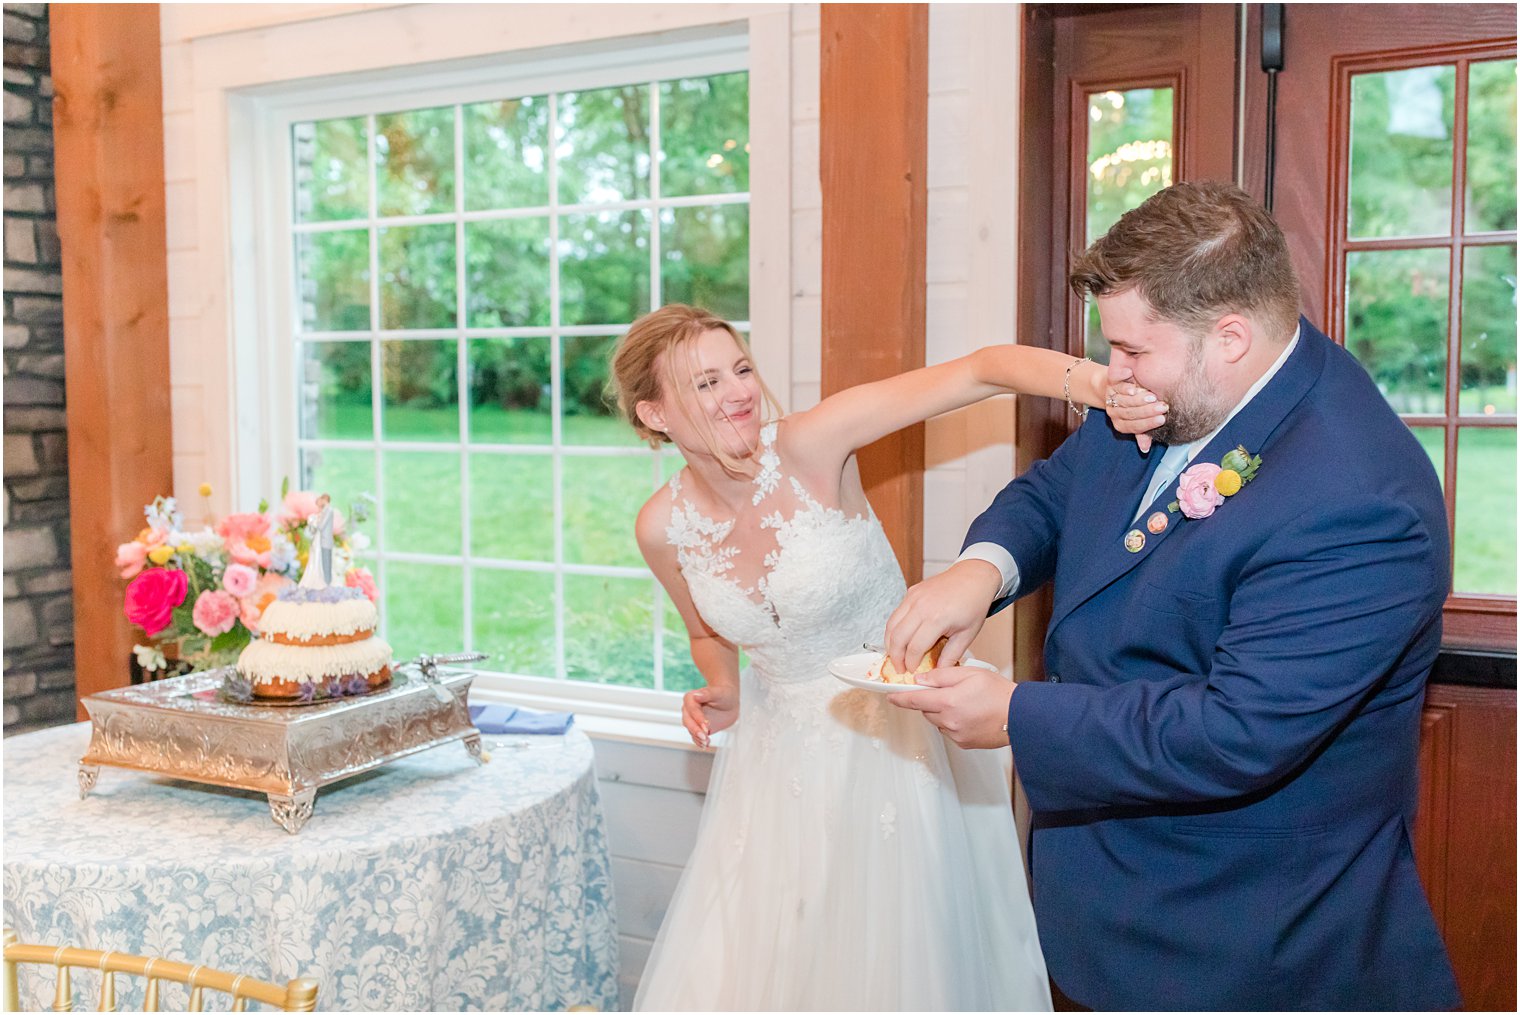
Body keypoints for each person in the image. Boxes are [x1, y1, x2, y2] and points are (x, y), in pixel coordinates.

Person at [886, 180, 1462, 1010]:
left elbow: (1237, 730)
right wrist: (982, 570)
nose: (1108, 373)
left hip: (1247, 942)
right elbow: (1057, 493)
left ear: (1229, 336)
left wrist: (1015, 716)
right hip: (1106, 908)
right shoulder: (1177, 392)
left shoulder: (1362, 500)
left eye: (1130, 349)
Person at [609, 303, 1159, 1011]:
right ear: (655, 414)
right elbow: (706, 631)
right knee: (784, 960)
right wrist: (722, 687)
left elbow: (981, 370)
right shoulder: (661, 527)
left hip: (895, 740)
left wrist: (1100, 384)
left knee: (902, 962)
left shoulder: (812, 443)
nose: (740, 390)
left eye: (741, 367)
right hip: (777, 769)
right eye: (706, 383)